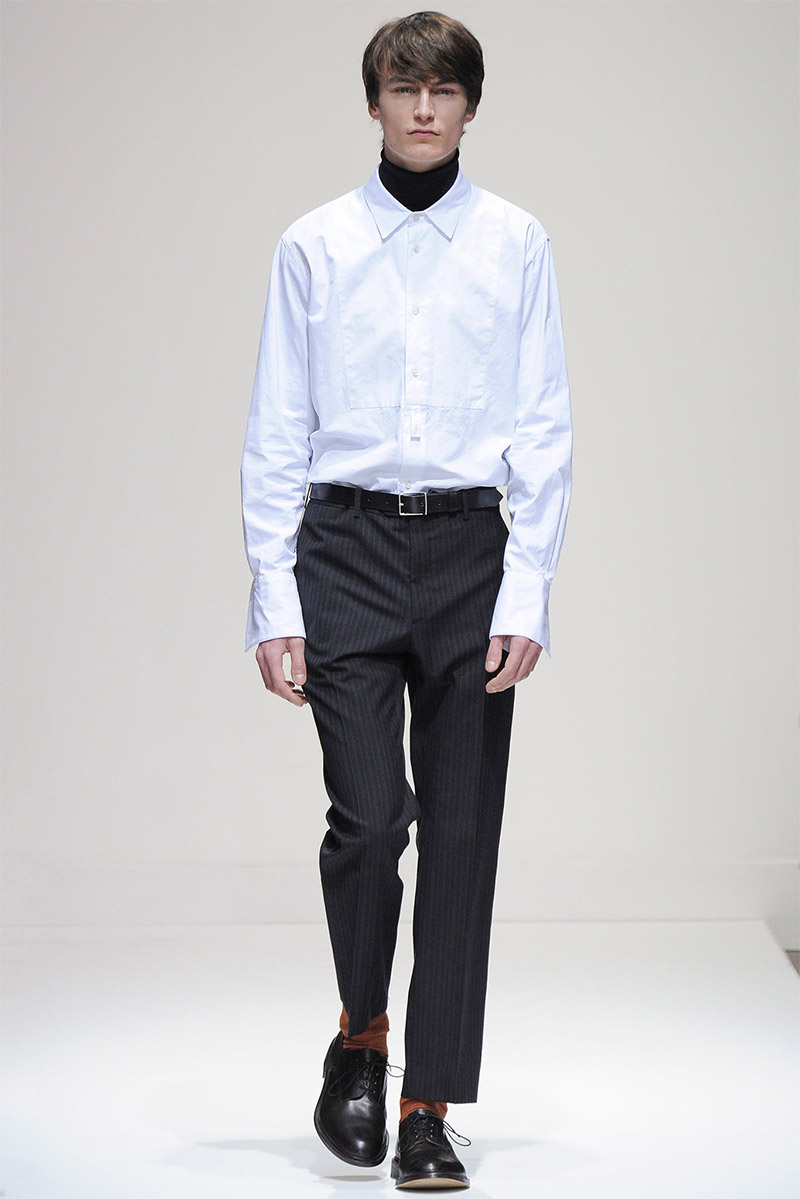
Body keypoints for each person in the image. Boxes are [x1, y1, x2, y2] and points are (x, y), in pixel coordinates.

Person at [241, 10, 573, 1190]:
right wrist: (273, 597)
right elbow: (276, 424)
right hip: (342, 545)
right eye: (401, 86)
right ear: (373, 101)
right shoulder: (315, 244)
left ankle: (428, 1103)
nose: (422, 107)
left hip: (473, 552)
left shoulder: (515, 242)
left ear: (469, 105)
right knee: (372, 817)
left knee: (463, 834)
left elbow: (542, 422)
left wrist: (526, 586)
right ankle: (361, 1032)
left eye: (442, 89)